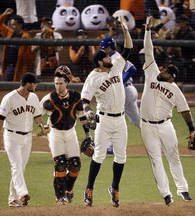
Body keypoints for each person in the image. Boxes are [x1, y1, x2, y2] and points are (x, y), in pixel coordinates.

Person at [140, 16, 195, 206]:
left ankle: (183, 190)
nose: (162, 70)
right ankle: (166, 194)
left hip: (166, 126)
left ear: (171, 78)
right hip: (146, 126)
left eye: (166, 71)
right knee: (156, 161)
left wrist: (192, 129)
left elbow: (185, 110)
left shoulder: (175, 90)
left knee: (174, 157)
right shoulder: (151, 72)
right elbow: (148, 50)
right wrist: (148, 31)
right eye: (163, 68)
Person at [81, 17, 133, 208]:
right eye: (106, 57)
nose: (110, 58)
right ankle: (89, 189)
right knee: (99, 155)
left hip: (120, 120)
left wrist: (125, 31)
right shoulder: (93, 78)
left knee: (121, 156)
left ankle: (115, 188)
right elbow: (84, 100)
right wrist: (88, 112)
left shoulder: (117, 65)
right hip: (103, 120)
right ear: (100, 62)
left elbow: (128, 49)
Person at [39, 65, 92, 204]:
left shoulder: (75, 96)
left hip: (70, 133)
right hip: (55, 134)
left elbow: (82, 116)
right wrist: (42, 125)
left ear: (67, 83)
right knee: (60, 164)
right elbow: (37, 114)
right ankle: (59, 195)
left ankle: (69, 190)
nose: (57, 86)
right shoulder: (49, 98)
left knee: (75, 165)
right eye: (56, 83)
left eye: (60, 83)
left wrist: (88, 135)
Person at [0, 72, 48, 207]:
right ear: (28, 84)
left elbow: (37, 115)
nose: (36, 85)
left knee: (20, 168)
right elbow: (0, 119)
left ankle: (13, 199)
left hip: (27, 137)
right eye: (35, 83)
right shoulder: (10, 98)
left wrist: (43, 125)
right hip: (11, 136)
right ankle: (23, 193)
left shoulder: (34, 97)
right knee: (16, 165)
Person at [100, 37, 141, 154]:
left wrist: (120, 81)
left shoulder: (116, 57)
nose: (104, 50)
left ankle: (111, 146)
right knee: (136, 120)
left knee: (115, 116)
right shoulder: (111, 57)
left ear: (111, 47)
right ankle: (155, 137)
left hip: (125, 91)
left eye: (105, 48)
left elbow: (132, 68)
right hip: (128, 90)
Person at [0, 8, 36, 81]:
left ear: (20, 25)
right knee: (7, 89)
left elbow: (30, 56)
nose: (11, 26)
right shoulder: (9, 33)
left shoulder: (26, 37)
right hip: (9, 67)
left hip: (20, 67)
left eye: (14, 24)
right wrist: (4, 15)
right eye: (11, 24)